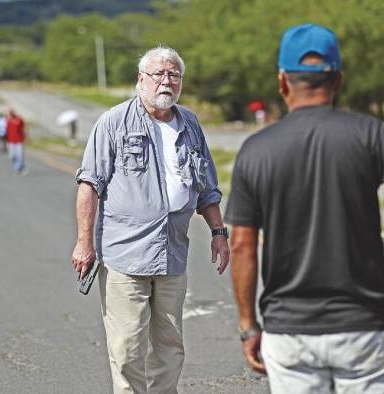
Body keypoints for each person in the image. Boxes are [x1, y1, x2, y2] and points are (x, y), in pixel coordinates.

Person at [224, 23, 384, 394]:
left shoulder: (255, 151)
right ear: (338, 80)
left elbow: (242, 246)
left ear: (282, 82)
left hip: (289, 332)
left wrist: (249, 326)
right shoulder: (369, 134)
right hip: (364, 327)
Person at [71, 46, 230, 394]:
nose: (166, 81)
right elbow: (89, 185)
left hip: (172, 253)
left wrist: (219, 232)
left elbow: (207, 186)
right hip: (125, 256)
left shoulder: (189, 124)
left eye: (174, 74)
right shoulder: (114, 122)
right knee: (127, 347)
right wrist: (84, 243)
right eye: (159, 74)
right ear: (140, 79)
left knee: (170, 346)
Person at [5, 109, 26, 175]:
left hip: (19, 140)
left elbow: (24, 128)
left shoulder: (19, 119)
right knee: (12, 156)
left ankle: (18, 168)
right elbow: (6, 130)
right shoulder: (8, 121)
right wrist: (6, 140)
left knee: (19, 155)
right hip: (11, 141)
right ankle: (19, 166)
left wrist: (25, 136)